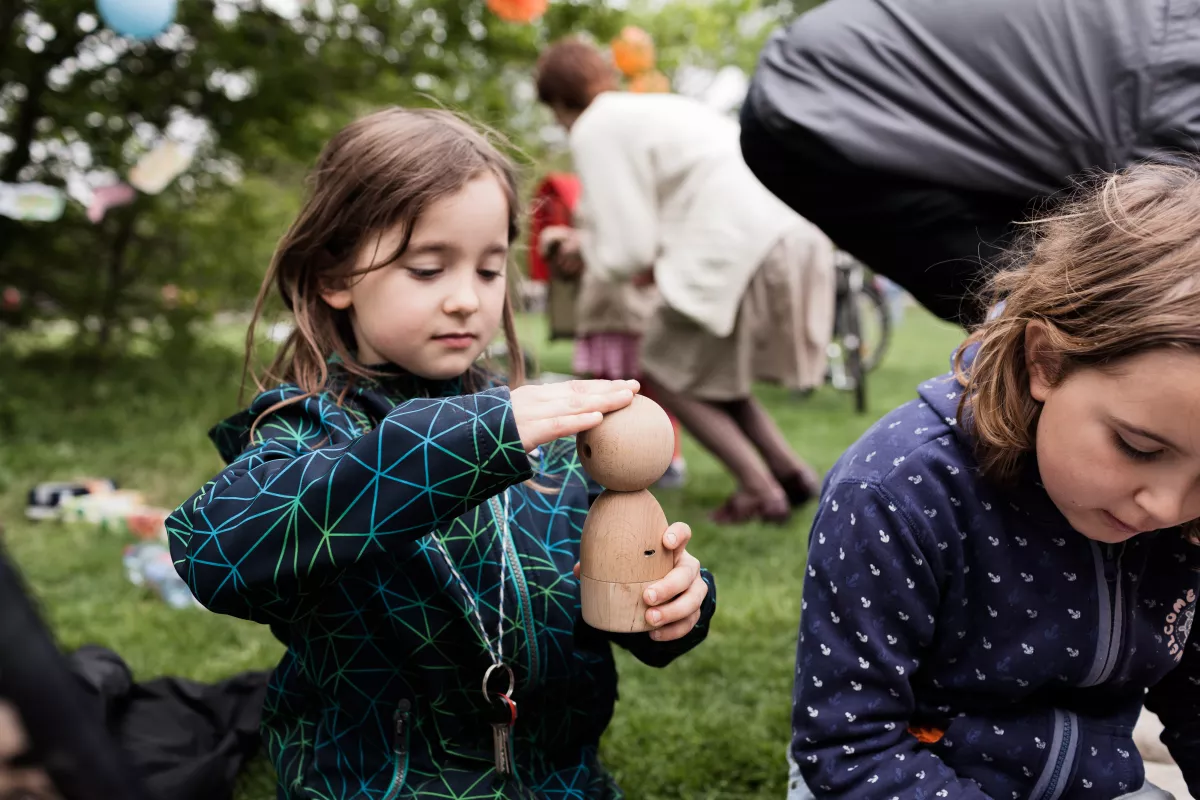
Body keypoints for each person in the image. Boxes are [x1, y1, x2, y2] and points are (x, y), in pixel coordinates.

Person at [166, 107, 717, 800]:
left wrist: (671, 603)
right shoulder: (309, 434)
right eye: (428, 269)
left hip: (558, 784)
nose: (467, 300)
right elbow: (214, 549)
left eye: (489, 271)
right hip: (377, 786)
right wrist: (474, 440)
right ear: (337, 276)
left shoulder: (537, 441)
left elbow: (595, 599)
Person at [787, 160, 1200, 799]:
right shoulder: (897, 493)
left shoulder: (1185, 512)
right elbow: (850, 740)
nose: (1167, 505)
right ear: (1046, 360)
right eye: (1138, 447)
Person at [741, 0, 1200, 328]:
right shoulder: (1181, 78)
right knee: (1067, 317)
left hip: (832, 83)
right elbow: (1166, 240)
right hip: (830, 106)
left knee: (1063, 310)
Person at [535, 38, 835, 525]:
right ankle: (791, 472)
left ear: (559, 102)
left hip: (731, 244)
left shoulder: (595, 127)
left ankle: (760, 490)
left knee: (663, 370)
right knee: (714, 377)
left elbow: (627, 249)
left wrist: (584, 251)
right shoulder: (651, 111)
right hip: (778, 228)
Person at [533, 174, 688, 489]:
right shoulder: (593, 191)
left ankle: (668, 457)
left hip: (637, 313)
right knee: (607, 391)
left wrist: (583, 243)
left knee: (653, 390)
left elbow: (641, 243)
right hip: (602, 311)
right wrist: (562, 238)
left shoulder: (646, 199)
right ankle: (612, 455)